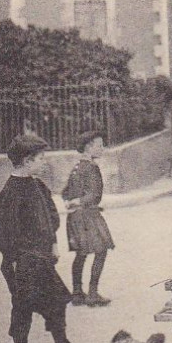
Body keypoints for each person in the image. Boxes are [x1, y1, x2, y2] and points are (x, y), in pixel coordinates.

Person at [0, 134, 92, 343]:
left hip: (43, 259)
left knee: (57, 302)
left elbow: (50, 217)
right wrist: (15, 259)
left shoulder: (37, 186)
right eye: (40, 158)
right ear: (26, 160)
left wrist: (54, 244)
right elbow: (0, 234)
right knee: (23, 310)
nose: (44, 162)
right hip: (22, 263)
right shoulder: (10, 193)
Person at [62, 130, 115, 307]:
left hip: (74, 217)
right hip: (88, 215)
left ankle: (77, 293)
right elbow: (95, 196)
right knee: (102, 250)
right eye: (99, 145)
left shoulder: (77, 167)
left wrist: (71, 202)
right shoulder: (92, 167)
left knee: (81, 253)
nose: (102, 149)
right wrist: (80, 201)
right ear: (88, 147)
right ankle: (92, 293)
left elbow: (65, 192)